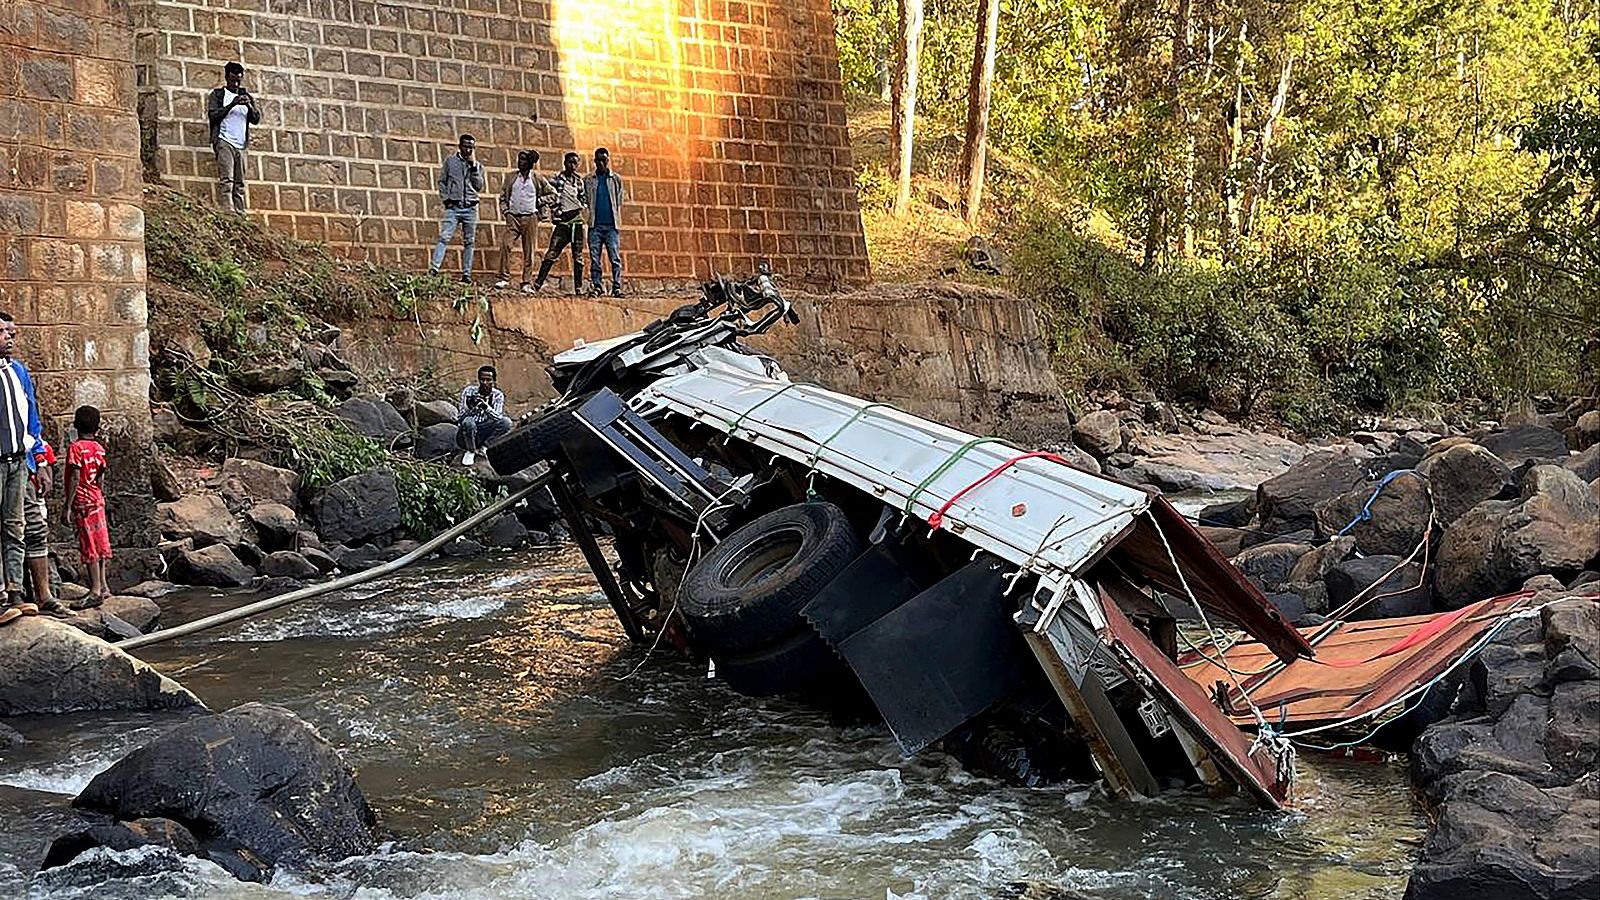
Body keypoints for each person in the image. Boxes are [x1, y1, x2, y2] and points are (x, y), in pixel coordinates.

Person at [0, 314, 59, 624]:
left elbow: (31, 418)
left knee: (17, 526)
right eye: (3, 332)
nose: (10, 337)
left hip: (19, 461)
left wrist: (40, 458)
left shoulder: (17, 371)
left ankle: (18, 593)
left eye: (11, 331)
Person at [64, 407, 111, 602]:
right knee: (100, 542)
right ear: (97, 428)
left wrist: (67, 506)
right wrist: (101, 494)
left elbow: (75, 476)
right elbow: (101, 475)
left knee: (89, 543)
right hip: (97, 498)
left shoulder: (75, 448)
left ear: (75, 425)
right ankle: (104, 585)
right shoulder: (99, 448)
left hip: (83, 502)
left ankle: (95, 589)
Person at [205, 62, 261, 215]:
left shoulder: (246, 96)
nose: (235, 83)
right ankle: (227, 209)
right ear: (226, 78)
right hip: (224, 141)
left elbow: (256, 119)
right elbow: (213, 115)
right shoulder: (218, 95)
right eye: (232, 80)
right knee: (227, 179)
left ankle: (240, 211)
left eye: (238, 80)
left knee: (240, 182)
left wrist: (249, 106)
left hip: (241, 145)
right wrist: (232, 104)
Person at [430, 134, 487, 283]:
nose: (468, 150)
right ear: (460, 146)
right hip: (453, 207)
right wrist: (446, 198)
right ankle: (434, 269)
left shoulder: (478, 166)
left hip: (471, 207)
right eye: (466, 146)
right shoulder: (450, 162)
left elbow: (479, 186)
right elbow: (442, 181)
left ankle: (466, 274)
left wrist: (473, 166)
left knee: (469, 241)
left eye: (471, 147)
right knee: (444, 237)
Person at [493, 149, 551, 293]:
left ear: (530, 163)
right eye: (519, 159)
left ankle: (526, 282)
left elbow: (553, 194)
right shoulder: (511, 177)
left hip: (530, 218)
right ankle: (504, 278)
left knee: (529, 251)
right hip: (513, 217)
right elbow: (502, 196)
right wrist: (505, 211)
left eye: (524, 160)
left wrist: (540, 200)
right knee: (506, 245)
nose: (520, 162)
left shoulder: (537, 178)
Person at [533, 151, 587, 294]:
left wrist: (579, 205)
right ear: (565, 163)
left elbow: (583, 198)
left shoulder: (579, 181)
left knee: (578, 257)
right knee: (551, 254)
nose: (572, 165)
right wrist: (553, 208)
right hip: (562, 223)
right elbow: (549, 194)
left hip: (576, 223)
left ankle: (579, 288)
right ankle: (538, 283)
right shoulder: (557, 180)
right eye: (570, 162)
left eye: (575, 163)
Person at [583, 147, 625, 297]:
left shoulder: (616, 179)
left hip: (611, 225)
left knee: (614, 257)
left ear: (607, 160)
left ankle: (617, 286)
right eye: (598, 160)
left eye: (604, 160)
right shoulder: (588, 179)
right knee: (595, 258)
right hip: (595, 225)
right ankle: (597, 286)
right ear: (595, 161)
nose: (601, 163)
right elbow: (585, 199)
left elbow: (619, 199)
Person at [456, 366, 511, 466]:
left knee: (506, 422)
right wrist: (471, 407)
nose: (485, 383)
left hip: (484, 431)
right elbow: (459, 418)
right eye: (482, 379)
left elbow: (498, 418)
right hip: (466, 434)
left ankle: (485, 447)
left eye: (488, 380)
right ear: (478, 380)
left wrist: (486, 407)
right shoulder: (469, 391)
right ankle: (470, 451)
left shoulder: (497, 395)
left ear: (494, 381)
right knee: (468, 422)